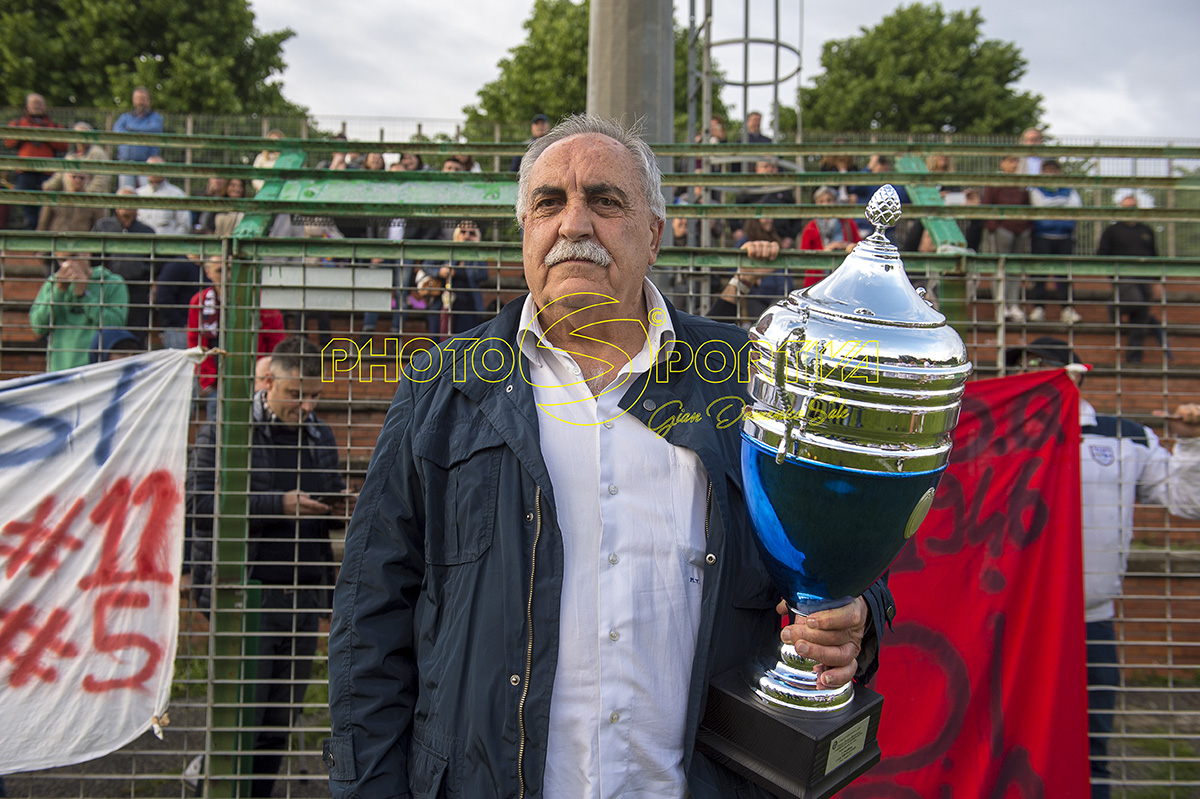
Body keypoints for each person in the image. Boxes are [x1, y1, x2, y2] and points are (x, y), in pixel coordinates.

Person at [325, 115, 892, 798]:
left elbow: (835, 545)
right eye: (549, 203)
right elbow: (371, 616)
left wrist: (851, 617)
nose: (574, 224)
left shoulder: (748, 376)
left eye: (605, 199)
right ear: (526, 233)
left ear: (654, 233)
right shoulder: (441, 387)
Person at [1005, 337, 1200, 799]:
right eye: (1018, 369)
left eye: (1040, 367)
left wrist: (1190, 442)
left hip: (1092, 624)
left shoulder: (1124, 435)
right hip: (1013, 620)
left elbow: (1187, 501)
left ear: (1073, 376)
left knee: (1092, 746)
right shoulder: (999, 434)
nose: (1024, 376)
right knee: (1009, 741)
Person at [188, 335, 349, 798]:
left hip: (300, 591)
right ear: (265, 381)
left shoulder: (319, 432)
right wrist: (278, 505)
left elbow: (328, 488)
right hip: (245, 591)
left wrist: (337, 506)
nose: (307, 404)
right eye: (296, 393)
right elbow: (200, 503)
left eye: (315, 395)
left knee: (279, 721)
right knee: (241, 716)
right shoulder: (227, 425)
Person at [187, 255, 286, 419]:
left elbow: (276, 340)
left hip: (254, 375)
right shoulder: (200, 301)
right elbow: (195, 342)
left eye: (231, 270)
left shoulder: (259, 300)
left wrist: (265, 375)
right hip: (217, 377)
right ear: (208, 273)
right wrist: (208, 381)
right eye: (220, 271)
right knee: (216, 423)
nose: (227, 276)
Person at [1097, 190, 1166, 364]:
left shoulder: (1146, 230)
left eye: (1132, 207)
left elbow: (1154, 256)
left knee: (1140, 321)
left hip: (1144, 278)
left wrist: (1157, 282)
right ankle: (1114, 306)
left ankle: (1134, 360)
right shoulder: (1112, 231)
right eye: (1126, 207)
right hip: (1123, 277)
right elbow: (1101, 255)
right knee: (1137, 301)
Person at [29, 251, 129, 372]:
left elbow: (115, 326)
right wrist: (59, 291)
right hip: (59, 372)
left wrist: (84, 296)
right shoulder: (53, 283)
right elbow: (38, 326)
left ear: (87, 254)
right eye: (62, 260)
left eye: (73, 257)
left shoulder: (113, 283)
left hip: (96, 371)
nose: (68, 264)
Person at [92, 187, 157, 344]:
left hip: (137, 289)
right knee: (109, 335)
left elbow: (155, 264)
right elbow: (94, 257)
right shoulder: (102, 226)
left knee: (136, 335)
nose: (127, 206)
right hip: (108, 288)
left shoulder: (147, 232)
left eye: (132, 202)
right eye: (123, 201)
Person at [1028, 160, 1083, 325]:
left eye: (1054, 170)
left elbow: (1076, 207)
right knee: (1039, 274)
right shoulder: (1036, 190)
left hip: (1065, 238)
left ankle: (1067, 309)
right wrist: (1061, 205)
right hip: (1042, 236)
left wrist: (1051, 206)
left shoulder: (1069, 190)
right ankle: (1038, 308)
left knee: (1064, 275)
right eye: (1047, 170)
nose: (1051, 174)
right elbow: (1039, 205)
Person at [981, 154, 1033, 323]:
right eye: (1010, 161)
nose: (1013, 164)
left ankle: (1013, 304)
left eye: (1016, 161)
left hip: (1020, 230)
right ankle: (1001, 305)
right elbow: (987, 204)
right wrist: (994, 226)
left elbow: (1027, 205)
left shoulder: (1021, 183)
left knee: (1015, 269)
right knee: (1000, 268)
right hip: (1002, 229)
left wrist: (1026, 226)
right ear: (1002, 162)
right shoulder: (995, 182)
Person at [5, 93, 67, 229]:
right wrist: (27, 133)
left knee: (46, 205)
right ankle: (30, 233)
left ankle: (44, 234)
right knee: (27, 205)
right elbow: (8, 141)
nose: (36, 106)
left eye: (39, 103)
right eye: (33, 103)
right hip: (25, 170)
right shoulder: (18, 123)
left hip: (47, 171)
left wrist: (43, 134)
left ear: (45, 106)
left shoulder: (54, 126)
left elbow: (64, 144)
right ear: (27, 106)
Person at [113, 86, 164, 190]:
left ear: (149, 101)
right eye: (137, 98)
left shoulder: (155, 117)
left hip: (146, 162)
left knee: (148, 191)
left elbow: (153, 129)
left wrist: (130, 129)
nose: (140, 102)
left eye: (143, 99)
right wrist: (140, 131)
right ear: (133, 100)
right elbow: (117, 131)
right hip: (126, 162)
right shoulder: (125, 117)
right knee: (125, 192)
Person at [41, 121, 112, 195]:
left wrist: (88, 193)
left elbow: (102, 177)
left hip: (90, 197)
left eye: (84, 134)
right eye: (78, 134)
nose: (81, 137)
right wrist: (49, 186)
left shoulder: (97, 153)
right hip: (69, 197)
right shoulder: (70, 156)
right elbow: (59, 175)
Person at [154, 254, 204, 349]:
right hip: (180, 331)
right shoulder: (178, 265)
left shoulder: (208, 266)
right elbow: (163, 298)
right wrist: (181, 323)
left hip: (201, 329)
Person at [36, 164, 105, 233]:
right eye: (74, 177)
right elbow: (43, 224)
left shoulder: (93, 202)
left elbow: (99, 227)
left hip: (82, 241)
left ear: (87, 179)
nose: (77, 180)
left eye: (81, 178)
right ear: (67, 177)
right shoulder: (55, 199)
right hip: (57, 239)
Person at [136, 156, 192, 234]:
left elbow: (185, 225)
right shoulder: (138, 194)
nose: (153, 171)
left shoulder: (177, 194)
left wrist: (170, 243)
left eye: (157, 168)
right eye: (149, 168)